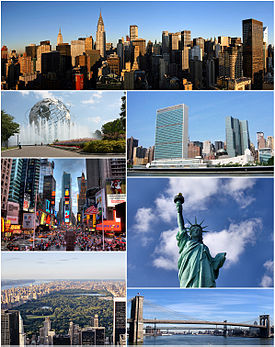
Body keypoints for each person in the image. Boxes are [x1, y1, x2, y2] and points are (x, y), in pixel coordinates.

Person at [175, 193, 226, 288]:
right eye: (193, 230)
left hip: (204, 270)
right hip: (189, 268)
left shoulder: (204, 247)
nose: (196, 231)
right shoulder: (186, 241)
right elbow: (181, 227)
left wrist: (219, 259)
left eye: (198, 230)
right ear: (190, 233)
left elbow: (212, 264)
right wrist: (179, 212)